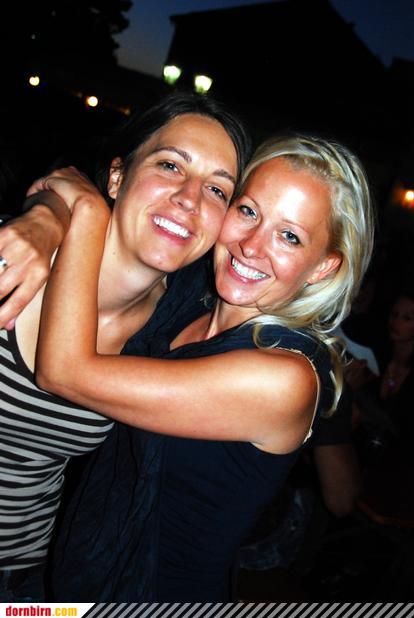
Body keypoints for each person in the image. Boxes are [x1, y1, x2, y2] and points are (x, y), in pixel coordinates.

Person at [33, 133, 374, 602]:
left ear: (322, 267)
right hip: (72, 581)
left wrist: (87, 209)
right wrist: (44, 218)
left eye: (289, 236)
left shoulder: (283, 378)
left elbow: (64, 372)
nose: (251, 246)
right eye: (248, 211)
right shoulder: (189, 298)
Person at [0, 90, 250, 601]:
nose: (190, 198)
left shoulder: (176, 331)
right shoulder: (16, 256)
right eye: (170, 165)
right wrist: (57, 207)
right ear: (117, 176)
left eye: (217, 189)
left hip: (29, 583)